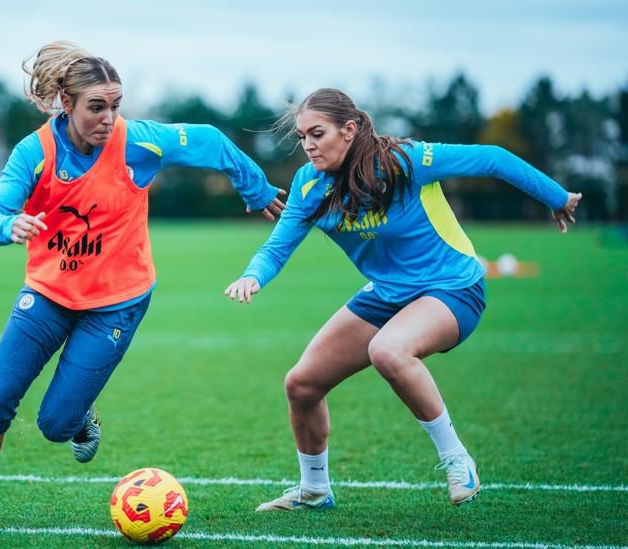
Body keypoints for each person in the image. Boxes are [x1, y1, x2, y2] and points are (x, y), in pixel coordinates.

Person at [0, 40, 287, 533]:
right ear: (66, 102)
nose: (108, 117)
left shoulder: (137, 142)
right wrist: (6, 227)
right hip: (49, 294)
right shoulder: (35, 151)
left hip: (117, 303)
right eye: (96, 107)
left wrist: (256, 187)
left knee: (56, 426)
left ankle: (80, 415)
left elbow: (208, 139)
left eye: (116, 105)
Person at [224, 88, 581, 510]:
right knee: (301, 385)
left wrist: (557, 198)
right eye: (302, 137)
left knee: (389, 351)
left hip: (452, 288)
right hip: (386, 295)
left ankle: (457, 459)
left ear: (349, 129)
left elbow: (492, 158)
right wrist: (252, 275)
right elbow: (277, 247)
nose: (307, 146)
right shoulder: (309, 185)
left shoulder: (404, 161)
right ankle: (314, 490)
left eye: (316, 134)